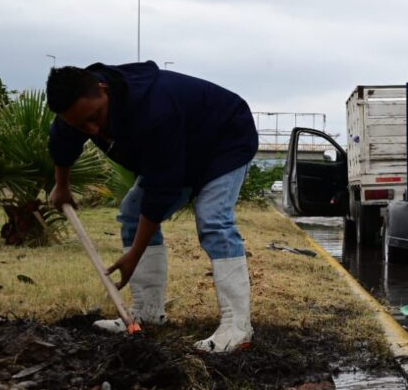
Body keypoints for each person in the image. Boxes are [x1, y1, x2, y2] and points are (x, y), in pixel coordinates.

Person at [46, 61, 258, 353]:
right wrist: (62, 186)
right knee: (132, 213)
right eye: (82, 124)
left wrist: (134, 255)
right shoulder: (77, 108)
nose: (92, 129)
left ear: (103, 89)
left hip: (224, 137)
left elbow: (161, 189)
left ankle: (238, 328)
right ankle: (147, 314)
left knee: (213, 220)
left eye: (95, 117)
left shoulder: (153, 109)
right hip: (179, 144)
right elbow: (63, 141)